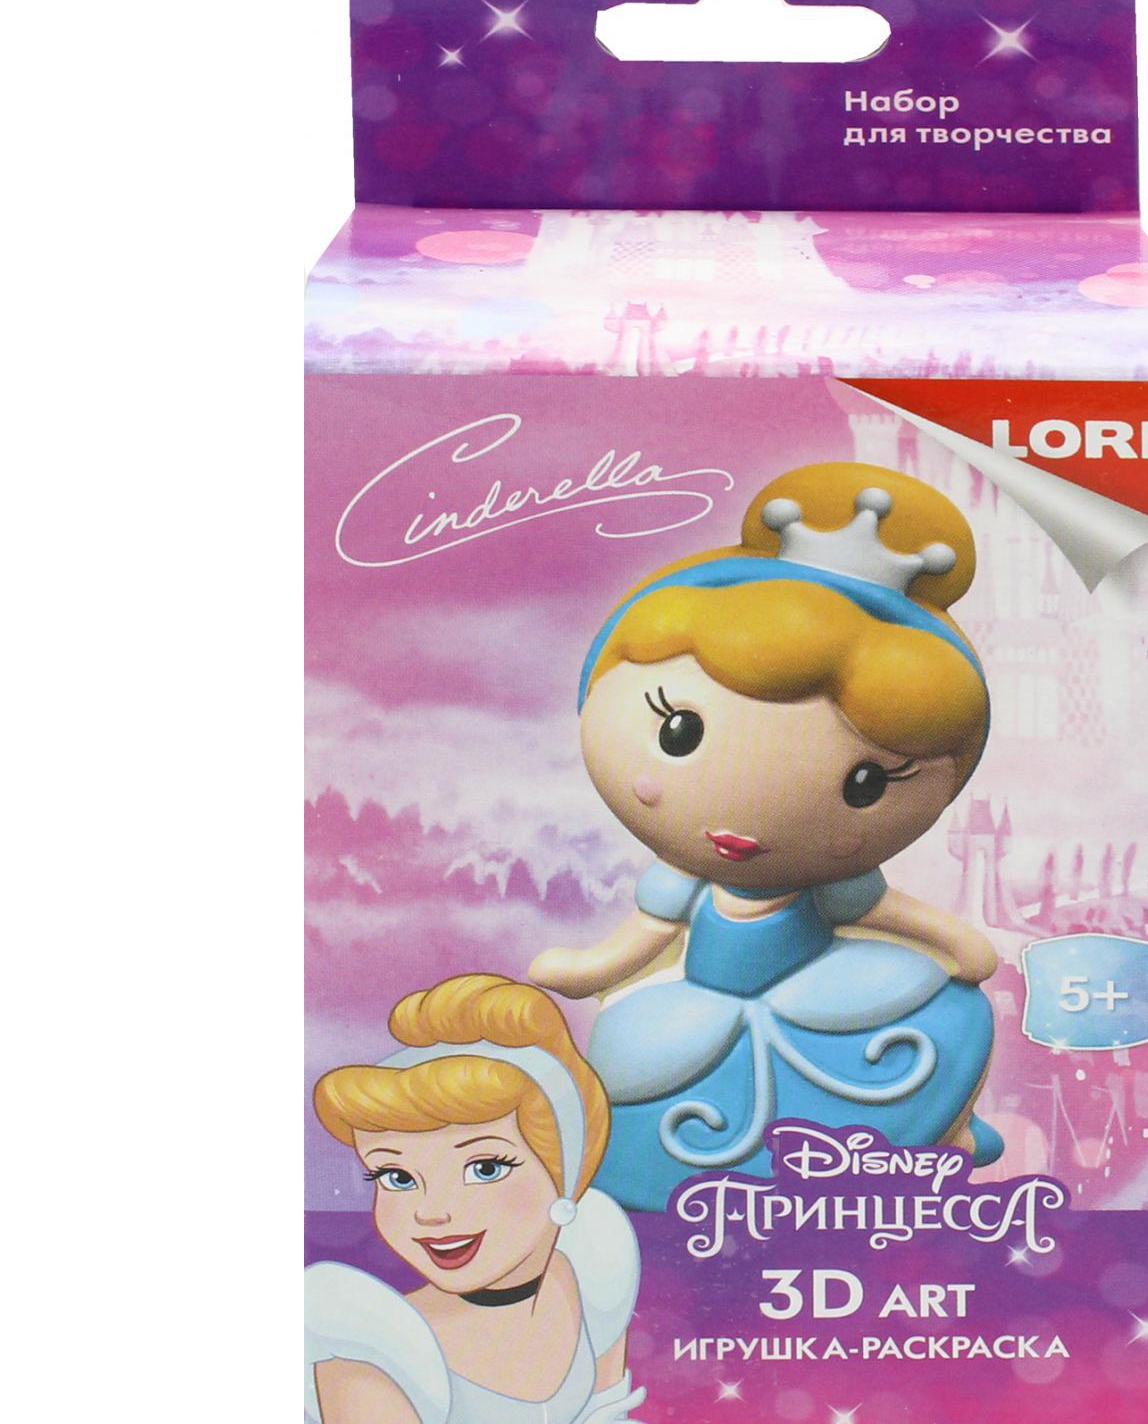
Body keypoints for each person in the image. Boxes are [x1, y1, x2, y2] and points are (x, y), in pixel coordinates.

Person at [531, 462, 1003, 1212]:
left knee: (937, 1023)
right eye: (678, 732)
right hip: (696, 1011)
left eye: (866, 783)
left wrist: (957, 943)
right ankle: (669, 1196)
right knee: (635, 1074)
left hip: (825, 993)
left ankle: (938, 1137)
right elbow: (642, 939)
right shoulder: (683, 885)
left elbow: (890, 914)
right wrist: (588, 970)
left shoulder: (835, 889)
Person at [305, 974, 645, 1423]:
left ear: (564, 1173)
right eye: (397, 1177)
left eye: (485, 1168)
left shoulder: (593, 1271)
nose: (431, 1213)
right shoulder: (369, 1348)